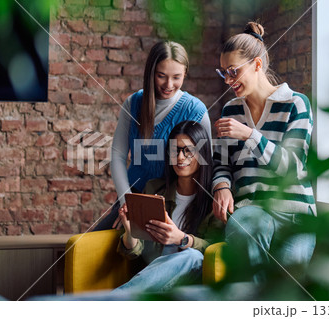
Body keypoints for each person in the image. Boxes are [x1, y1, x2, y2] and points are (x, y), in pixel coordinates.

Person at [212, 22, 316, 281]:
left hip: (295, 217)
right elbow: (222, 163)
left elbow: (291, 168)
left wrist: (249, 134)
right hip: (252, 212)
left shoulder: (296, 104)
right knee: (247, 229)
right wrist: (221, 186)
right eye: (223, 72)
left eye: (234, 71)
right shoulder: (231, 110)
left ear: (257, 65)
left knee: (286, 289)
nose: (228, 80)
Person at [93, 41, 212, 231]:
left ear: (185, 74)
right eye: (161, 76)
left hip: (173, 201)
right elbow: (117, 156)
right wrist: (127, 202)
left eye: (177, 77)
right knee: (95, 243)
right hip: (132, 197)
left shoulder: (195, 110)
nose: (169, 84)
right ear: (151, 73)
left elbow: (206, 163)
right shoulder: (133, 103)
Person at [113, 121, 223, 293]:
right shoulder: (154, 189)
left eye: (188, 151)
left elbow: (217, 250)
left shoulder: (214, 200)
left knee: (193, 257)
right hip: (154, 281)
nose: (180, 157)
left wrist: (182, 239)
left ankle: (113, 300)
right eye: (175, 150)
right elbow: (132, 252)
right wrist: (129, 231)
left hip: (190, 286)